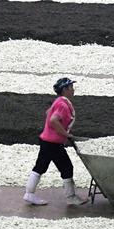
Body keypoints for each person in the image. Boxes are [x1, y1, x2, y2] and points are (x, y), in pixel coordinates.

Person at [23, 77, 89, 206]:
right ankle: (71, 197)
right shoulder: (63, 104)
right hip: (52, 143)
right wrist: (65, 134)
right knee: (66, 167)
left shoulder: (59, 101)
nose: (73, 90)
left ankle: (29, 194)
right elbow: (53, 120)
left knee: (41, 166)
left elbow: (48, 112)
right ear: (64, 90)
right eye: (71, 88)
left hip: (46, 140)